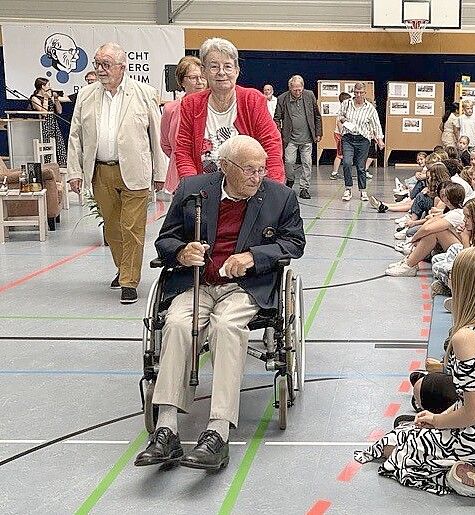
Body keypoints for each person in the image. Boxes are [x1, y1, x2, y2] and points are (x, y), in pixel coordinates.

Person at [134, 135, 306, 471]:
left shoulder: (280, 197)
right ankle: (167, 428)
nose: (258, 177)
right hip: (197, 282)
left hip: (245, 287)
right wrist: (181, 252)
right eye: (249, 170)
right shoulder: (193, 191)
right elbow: (165, 240)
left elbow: (294, 243)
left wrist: (254, 257)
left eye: (262, 169)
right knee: (178, 324)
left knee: (227, 326)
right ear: (224, 167)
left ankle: (218, 432)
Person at [356, 246, 475, 500]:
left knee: (393, 447)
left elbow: (474, 412)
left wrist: (437, 420)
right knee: (409, 429)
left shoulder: (466, 338)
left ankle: (463, 473)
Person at [67, 42, 167, 304]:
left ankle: (129, 281)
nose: (100, 69)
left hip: (135, 171)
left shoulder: (144, 93)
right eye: (97, 64)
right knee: (112, 228)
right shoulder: (86, 95)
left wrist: (160, 171)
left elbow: (156, 135)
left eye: (106, 64)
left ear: (122, 67)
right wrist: (74, 172)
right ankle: (124, 268)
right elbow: (75, 136)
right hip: (101, 171)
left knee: (132, 227)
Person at [174, 38, 284, 183]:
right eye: (214, 67)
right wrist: (192, 187)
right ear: (204, 71)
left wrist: (272, 190)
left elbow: (271, 146)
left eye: (228, 66)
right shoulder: (191, 104)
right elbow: (183, 150)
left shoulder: (253, 100)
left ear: (237, 71)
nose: (221, 72)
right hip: (204, 190)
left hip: (249, 188)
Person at [161, 56, 207, 193]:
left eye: (202, 77)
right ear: (182, 81)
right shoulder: (170, 109)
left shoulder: (214, 108)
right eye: (193, 78)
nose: (200, 82)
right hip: (179, 177)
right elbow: (166, 145)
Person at [274, 75, 322, 200]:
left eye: (299, 89)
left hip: (307, 138)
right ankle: (290, 180)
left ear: (303, 87)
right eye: (295, 90)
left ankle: (304, 188)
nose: (297, 92)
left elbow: (317, 115)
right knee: (289, 161)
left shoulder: (309, 95)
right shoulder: (282, 98)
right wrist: (278, 133)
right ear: (290, 88)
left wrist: (318, 133)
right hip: (290, 138)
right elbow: (277, 118)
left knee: (307, 163)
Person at [337, 82, 384, 202]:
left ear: (365, 93)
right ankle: (348, 189)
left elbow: (376, 125)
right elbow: (339, 116)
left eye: (361, 92)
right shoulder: (346, 104)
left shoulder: (370, 108)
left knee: (361, 166)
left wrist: (380, 140)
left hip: (363, 140)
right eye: (356, 92)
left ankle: (363, 190)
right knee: (347, 163)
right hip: (348, 137)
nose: (358, 95)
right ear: (353, 92)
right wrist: (344, 120)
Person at [29, 77, 67, 167]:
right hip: (43, 124)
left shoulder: (51, 97)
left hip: (53, 123)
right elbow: (44, 113)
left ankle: (61, 164)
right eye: (48, 85)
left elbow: (60, 111)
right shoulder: (35, 98)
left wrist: (56, 99)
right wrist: (45, 99)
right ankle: (48, 165)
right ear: (43, 86)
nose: (50, 87)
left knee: (59, 144)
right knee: (46, 145)